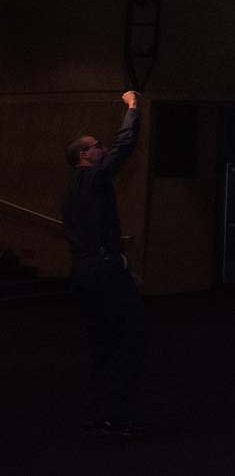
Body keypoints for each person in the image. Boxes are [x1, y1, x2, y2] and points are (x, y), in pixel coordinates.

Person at [62, 90, 147, 437]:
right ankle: (116, 415)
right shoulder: (93, 178)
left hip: (86, 273)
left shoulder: (71, 189)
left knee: (100, 344)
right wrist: (133, 109)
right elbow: (123, 147)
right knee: (124, 341)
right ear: (84, 155)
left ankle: (99, 413)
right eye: (96, 145)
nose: (102, 149)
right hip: (102, 274)